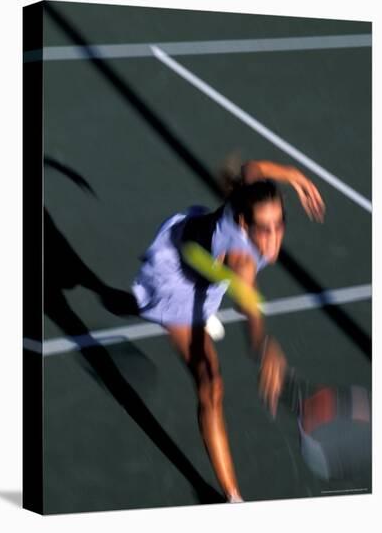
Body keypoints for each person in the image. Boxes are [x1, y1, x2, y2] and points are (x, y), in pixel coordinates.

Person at [101, 159, 325, 503]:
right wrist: (264, 346)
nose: (274, 237)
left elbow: (254, 168)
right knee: (211, 384)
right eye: (264, 229)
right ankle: (232, 499)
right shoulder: (241, 258)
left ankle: (135, 302)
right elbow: (250, 310)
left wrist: (295, 177)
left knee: (147, 302)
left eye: (280, 224)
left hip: (205, 264)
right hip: (178, 277)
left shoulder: (249, 198)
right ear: (242, 222)